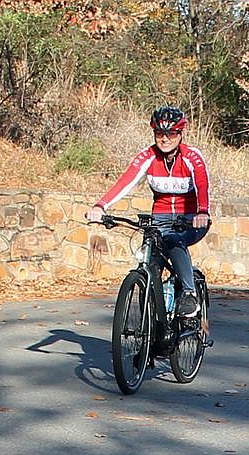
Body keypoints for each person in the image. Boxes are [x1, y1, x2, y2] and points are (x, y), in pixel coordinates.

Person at [86, 105, 211, 317]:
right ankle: (153, 326)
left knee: (173, 240)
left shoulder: (192, 157)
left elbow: (202, 184)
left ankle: (189, 294)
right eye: (159, 134)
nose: (164, 139)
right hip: (159, 218)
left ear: (180, 134)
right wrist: (101, 206)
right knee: (151, 258)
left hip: (190, 219)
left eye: (171, 134)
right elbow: (126, 181)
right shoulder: (148, 156)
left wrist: (202, 211)